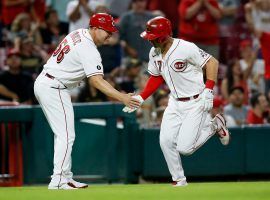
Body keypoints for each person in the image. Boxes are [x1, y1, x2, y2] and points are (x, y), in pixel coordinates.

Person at [34, 13, 140, 190]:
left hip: (49, 82)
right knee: (66, 135)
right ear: (95, 28)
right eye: (107, 31)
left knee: (64, 134)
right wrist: (123, 97)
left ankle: (65, 176)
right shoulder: (89, 48)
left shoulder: (77, 33)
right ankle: (59, 179)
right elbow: (96, 81)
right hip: (54, 86)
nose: (109, 35)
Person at [123, 16, 230, 186]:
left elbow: (212, 62)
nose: (150, 41)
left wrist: (209, 88)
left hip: (196, 101)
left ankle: (215, 125)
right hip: (174, 102)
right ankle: (179, 179)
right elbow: (156, 77)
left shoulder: (186, 48)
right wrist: (141, 97)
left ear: (163, 36)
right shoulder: (154, 52)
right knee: (165, 141)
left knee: (185, 149)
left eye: (153, 38)